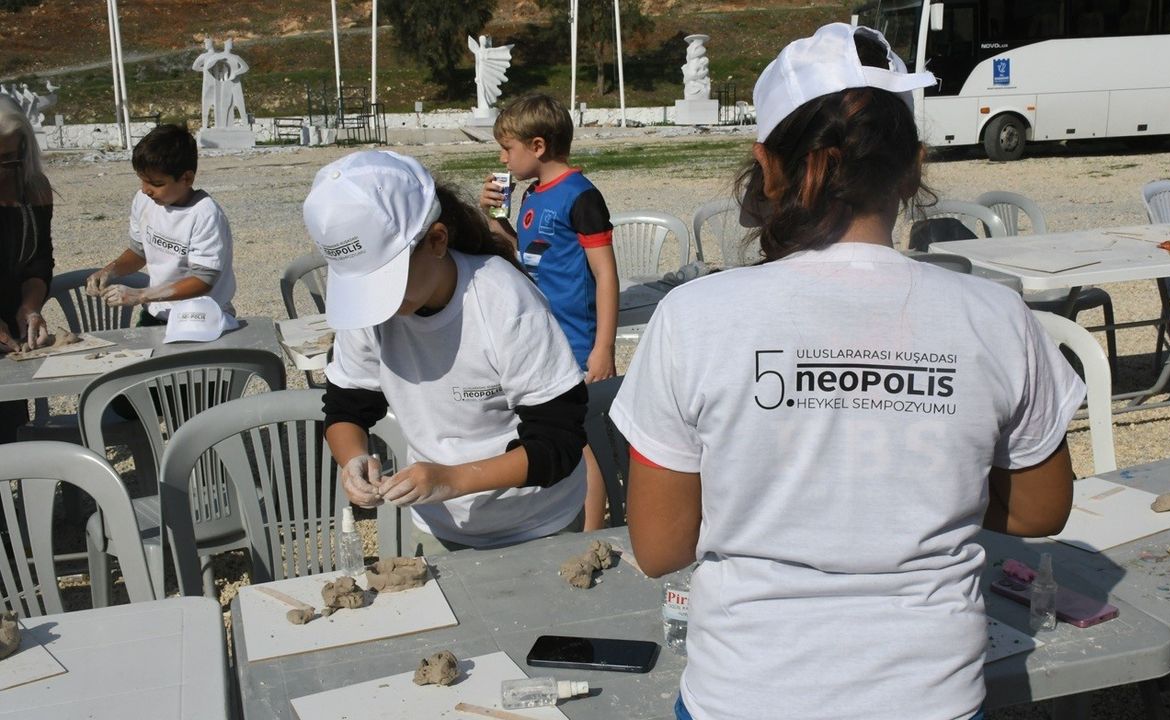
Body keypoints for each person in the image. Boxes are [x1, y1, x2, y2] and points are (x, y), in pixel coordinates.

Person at [610, 24, 1085, 720]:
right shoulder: (995, 317)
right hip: (930, 699)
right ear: (914, 166)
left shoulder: (693, 317)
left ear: (767, 166)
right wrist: (918, 493)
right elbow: (1042, 509)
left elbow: (659, 547)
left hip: (746, 696)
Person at [311, 150, 589, 552]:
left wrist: (451, 479)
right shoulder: (368, 315)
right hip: (438, 521)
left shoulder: (502, 299)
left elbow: (558, 442)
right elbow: (346, 406)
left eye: (386, 282)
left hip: (537, 521)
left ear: (437, 240)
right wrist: (351, 458)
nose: (380, 304)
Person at [480, 93, 619, 531]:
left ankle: (592, 537)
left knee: (579, 443)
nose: (502, 158)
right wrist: (494, 217)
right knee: (561, 436)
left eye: (507, 148)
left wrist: (603, 347)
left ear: (537, 146)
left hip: (576, 341)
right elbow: (521, 256)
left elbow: (606, 274)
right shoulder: (531, 194)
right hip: (541, 338)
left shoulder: (581, 196)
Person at [85, 124, 236, 326]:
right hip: (157, 312)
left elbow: (203, 280)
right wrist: (108, 272)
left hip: (201, 318)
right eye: (142, 180)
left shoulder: (205, 215)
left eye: (156, 184)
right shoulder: (144, 200)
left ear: (187, 178)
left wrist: (140, 295)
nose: (146, 190)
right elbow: (139, 252)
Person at [0, 96, 53, 442]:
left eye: (8, 159)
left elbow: (40, 260)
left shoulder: (33, 189)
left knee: (9, 438)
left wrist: (30, 306)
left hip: (9, 336)